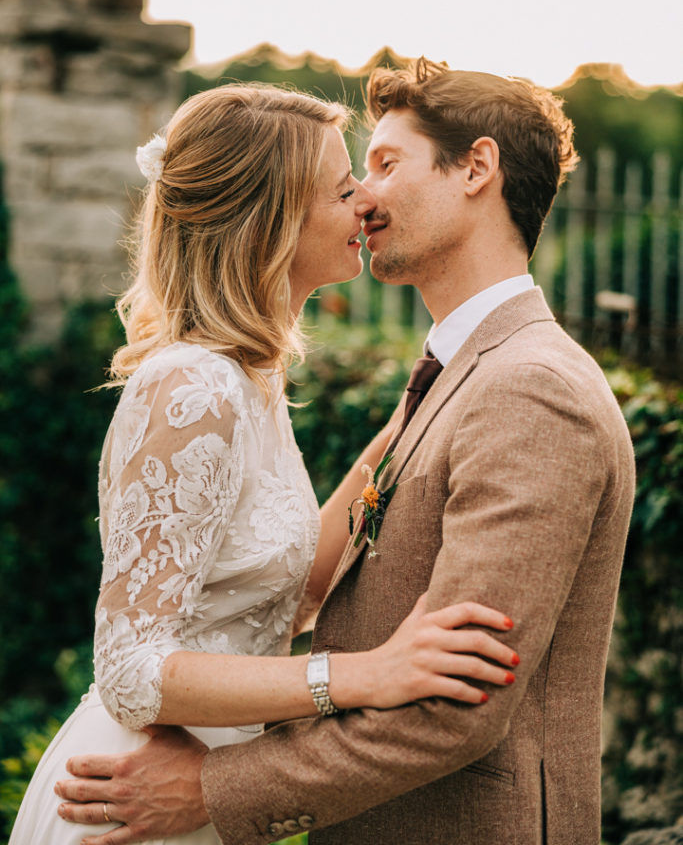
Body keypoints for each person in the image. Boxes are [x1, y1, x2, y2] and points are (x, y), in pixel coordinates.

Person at [55, 61, 636, 845]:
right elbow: (137, 659)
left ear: (476, 168)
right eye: (346, 181)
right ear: (270, 213)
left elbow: (456, 701)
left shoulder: (525, 387)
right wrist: (362, 673)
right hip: (135, 789)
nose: (363, 198)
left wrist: (217, 789)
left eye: (383, 165)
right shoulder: (224, 381)